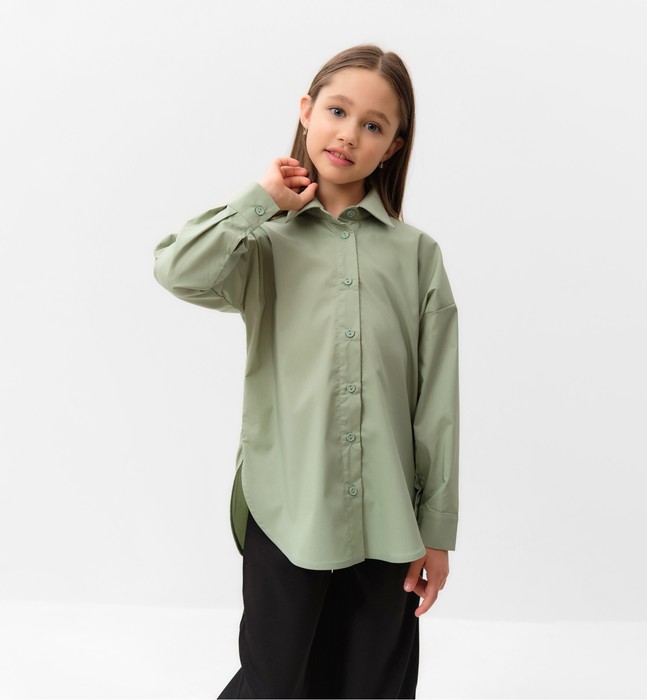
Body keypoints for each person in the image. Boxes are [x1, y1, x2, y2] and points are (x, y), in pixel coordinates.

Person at [152, 44, 460, 699]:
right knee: (273, 683)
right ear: (306, 111)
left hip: (389, 521)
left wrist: (436, 533)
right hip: (285, 506)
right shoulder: (262, 241)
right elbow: (177, 271)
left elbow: (437, 404)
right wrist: (258, 201)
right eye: (337, 111)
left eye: (373, 125)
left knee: (373, 687)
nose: (349, 134)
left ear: (393, 147)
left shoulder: (418, 257)